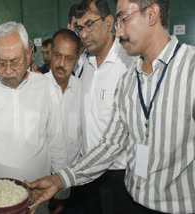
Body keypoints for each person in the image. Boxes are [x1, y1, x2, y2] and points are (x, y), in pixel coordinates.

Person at [27, 0, 195, 213]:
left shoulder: (190, 69)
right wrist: (60, 180)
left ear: (152, 14)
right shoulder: (129, 80)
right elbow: (111, 144)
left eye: (123, 19)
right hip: (134, 199)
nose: (119, 30)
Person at [0, 21, 67, 214]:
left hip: (37, 198)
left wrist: (62, 192)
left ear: (28, 54)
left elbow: (57, 143)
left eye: (15, 61)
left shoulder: (46, 87)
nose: (8, 69)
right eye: (1, 62)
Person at [70, 0, 138, 213]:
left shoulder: (129, 63)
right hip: (86, 173)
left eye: (90, 24)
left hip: (119, 175)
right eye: (80, 28)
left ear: (109, 23)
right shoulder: (83, 65)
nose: (84, 34)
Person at [44, 29, 82, 213]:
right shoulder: (35, 89)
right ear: (50, 54)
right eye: (57, 55)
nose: (61, 64)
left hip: (77, 182)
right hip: (44, 183)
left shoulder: (83, 90)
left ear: (77, 58)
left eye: (68, 58)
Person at [68, 2, 86, 79]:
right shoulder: (62, 59)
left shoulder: (94, 58)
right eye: (76, 25)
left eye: (82, 26)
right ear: (69, 27)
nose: (78, 30)